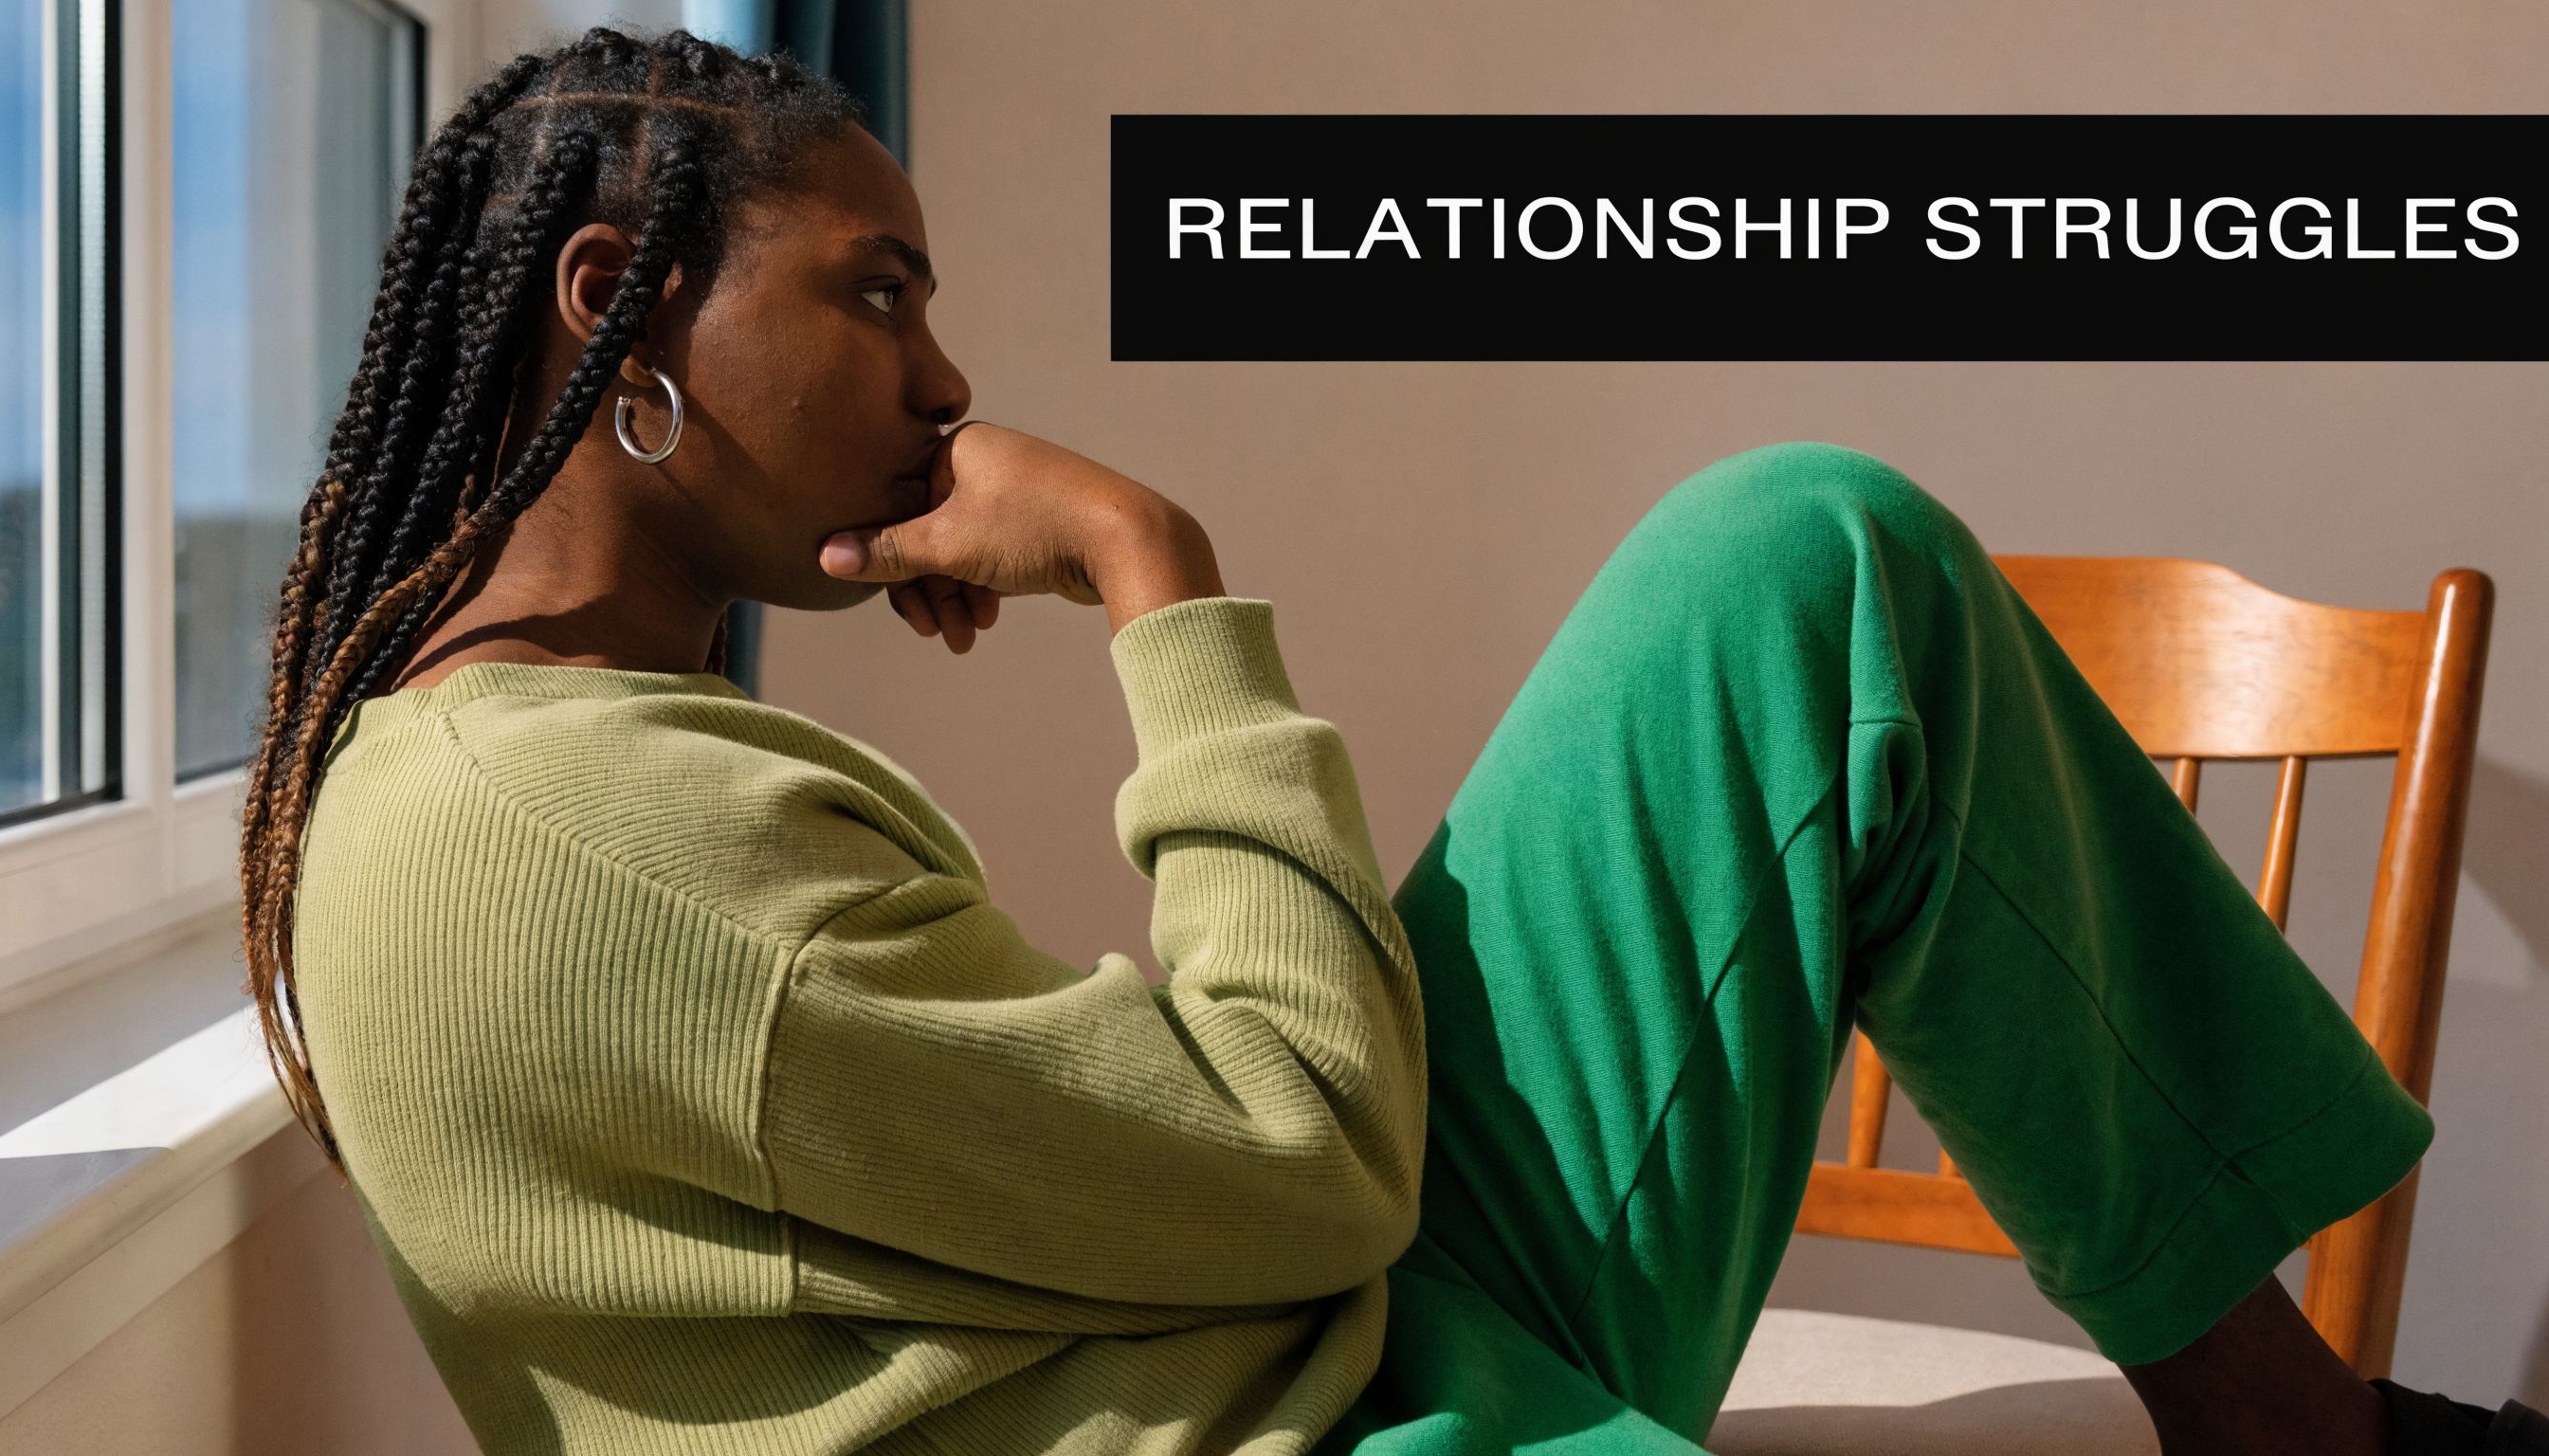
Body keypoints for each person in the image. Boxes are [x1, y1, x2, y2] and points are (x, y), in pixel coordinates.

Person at [240, 26, 2542, 1456]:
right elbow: (1306, 1160)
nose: (947, 382)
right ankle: (2292, 1430)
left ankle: (2271, 1416)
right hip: (1339, 1393)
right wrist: (1162, 581)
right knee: (1811, 563)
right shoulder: (603, 832)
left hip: (1275, 1327)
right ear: (610, 307)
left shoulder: (474, 769)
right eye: (876, 291)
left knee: (1801, 558)